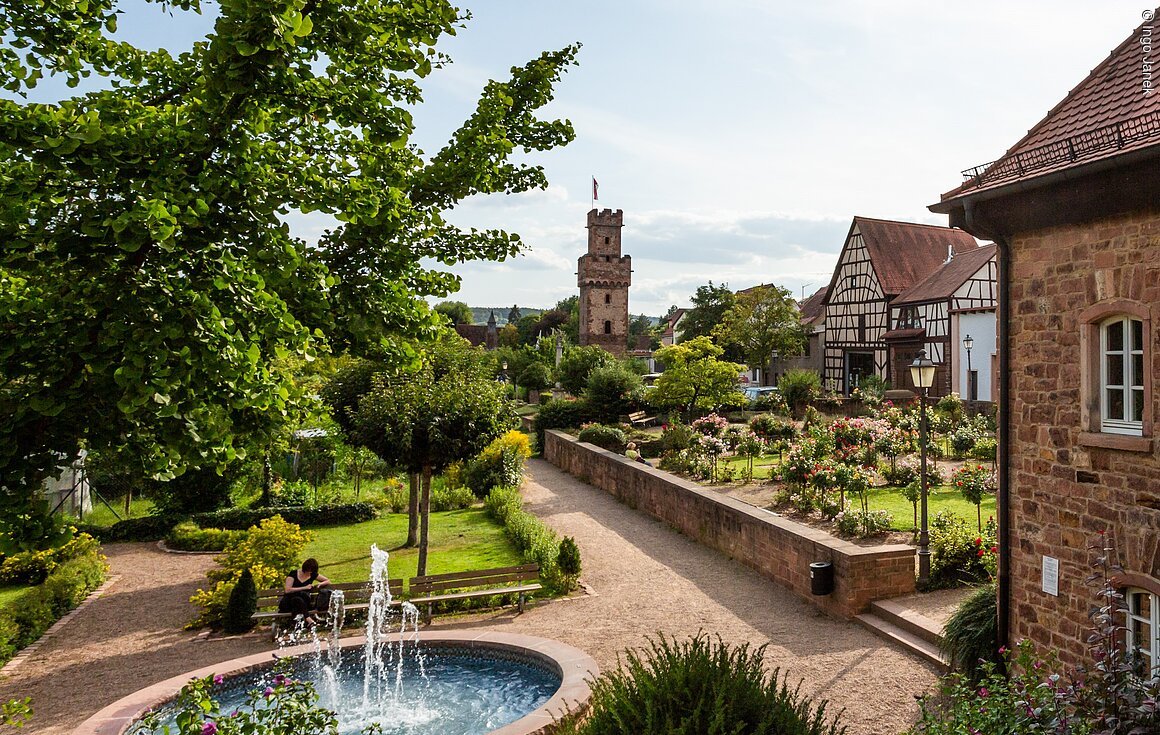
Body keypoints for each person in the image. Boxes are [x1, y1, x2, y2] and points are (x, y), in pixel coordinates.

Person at [279, 558, 330, 625]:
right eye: (308, 571)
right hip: (288, 603)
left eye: (311, 571)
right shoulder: (293, 574)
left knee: (299, 600)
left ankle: (299, 625)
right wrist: (304, 587)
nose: (309, 573)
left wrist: (320, 584)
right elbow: (287, 590)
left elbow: (327, 580)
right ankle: (308, 619)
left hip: (302, 604)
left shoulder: (313, 575)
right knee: (296, 599)